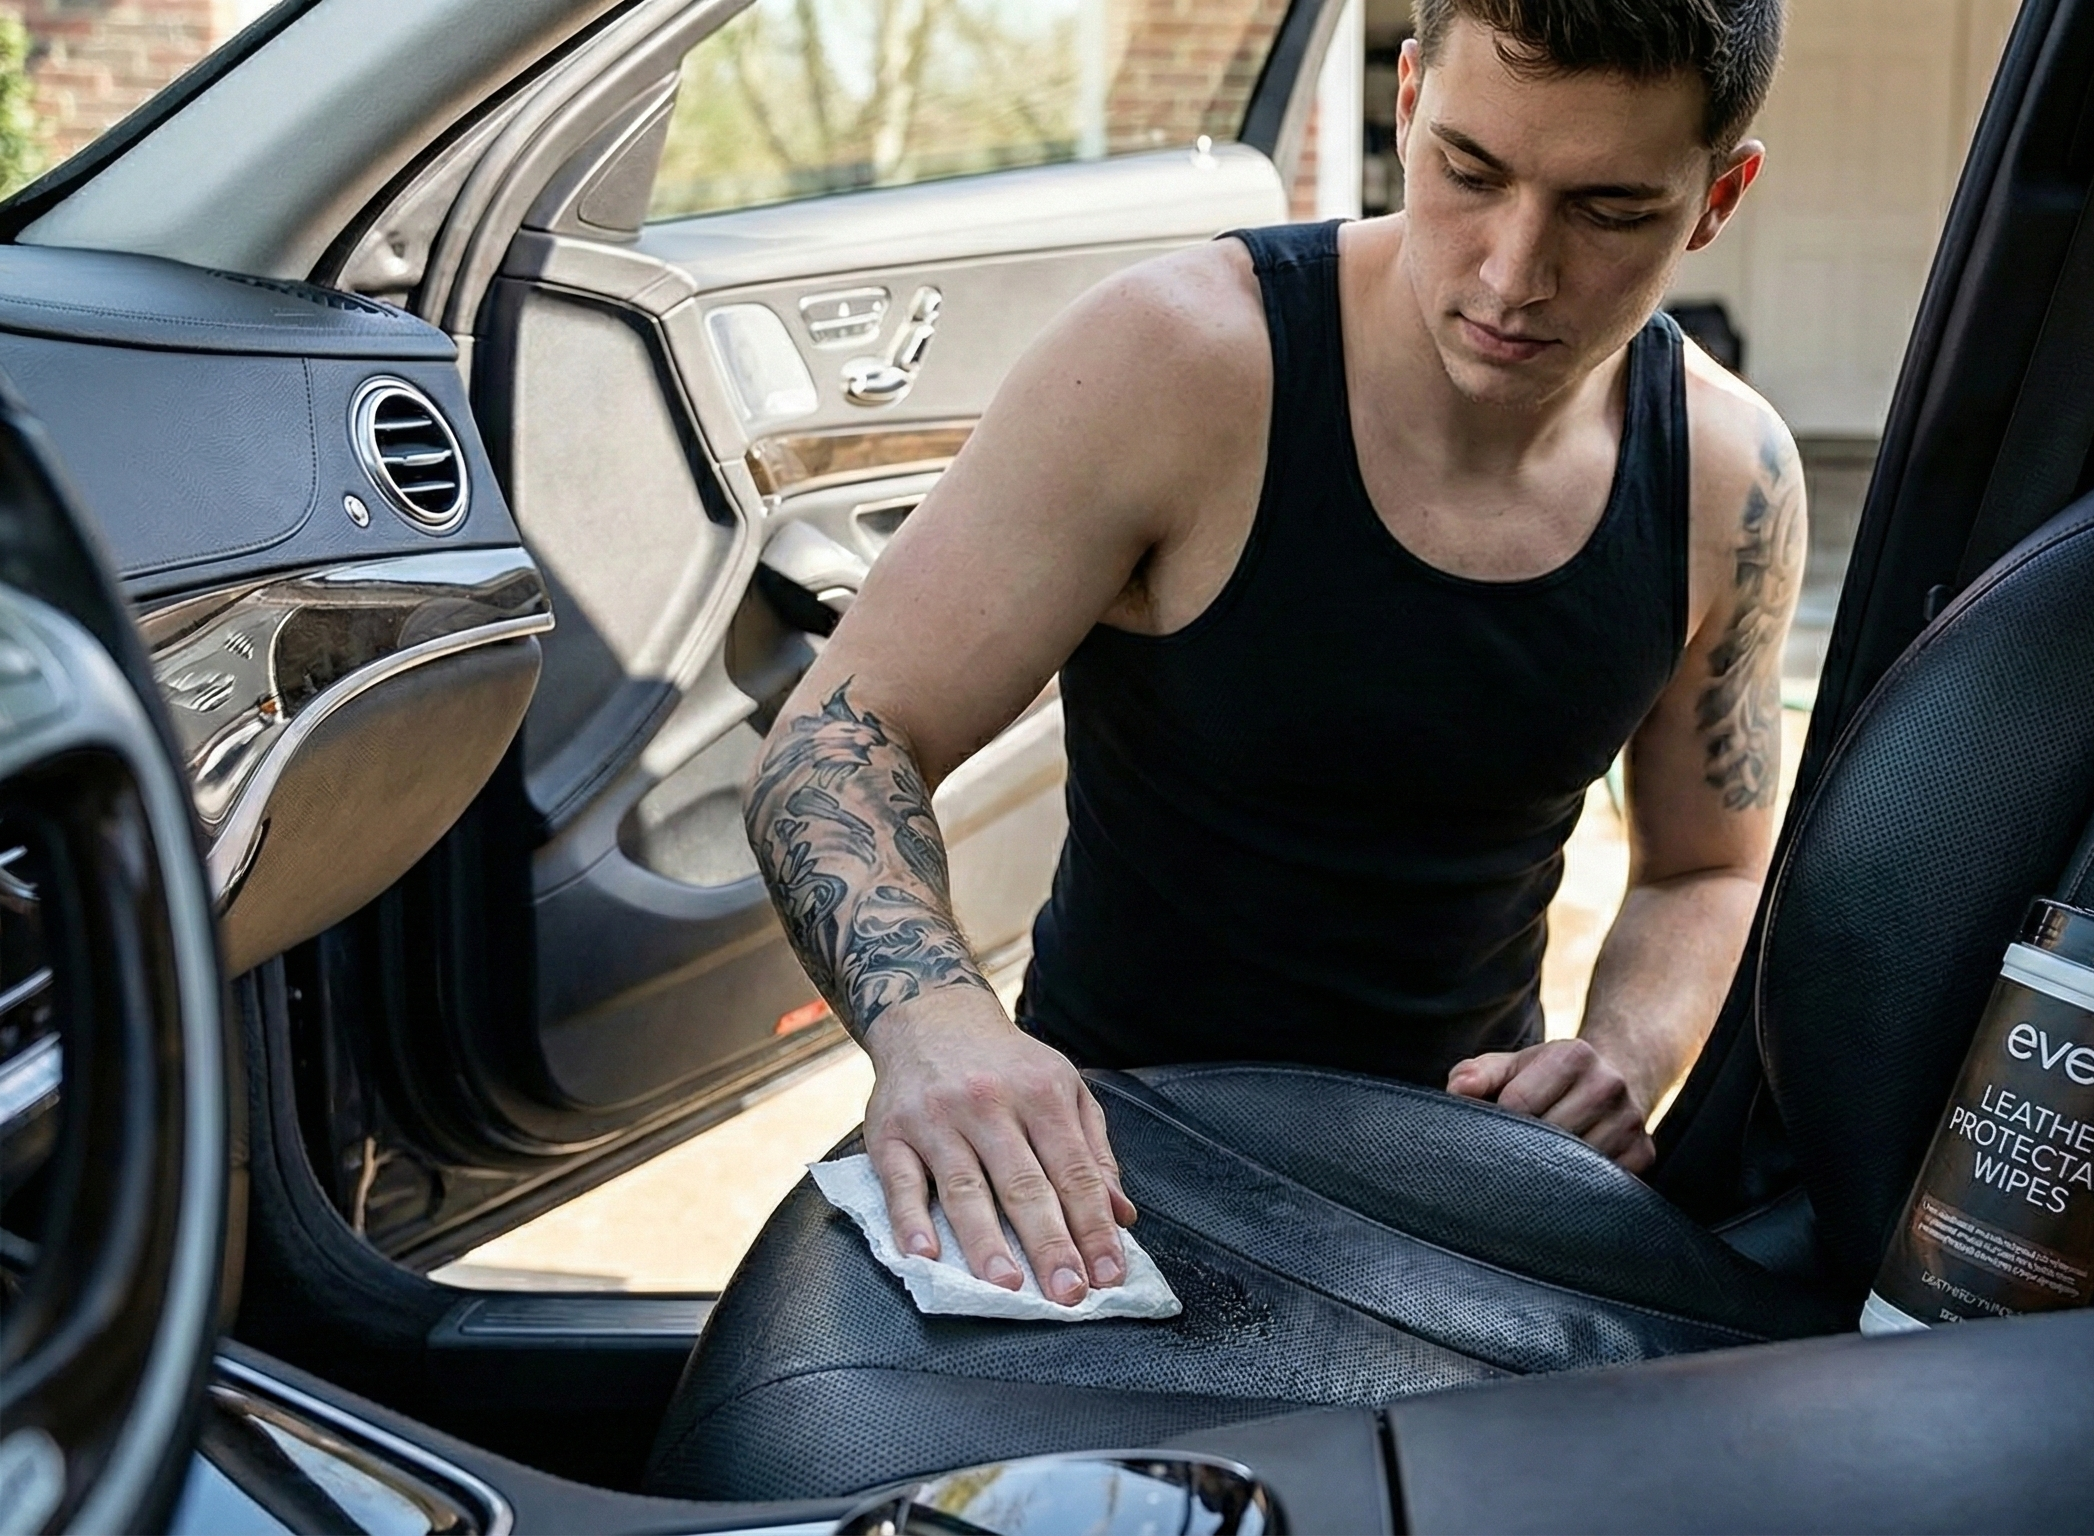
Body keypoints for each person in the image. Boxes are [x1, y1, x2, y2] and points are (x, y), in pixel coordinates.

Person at [746, 0, 1804, 1309]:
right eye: (1471, 172)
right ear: (1407, 104)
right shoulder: (1180, 361)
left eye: (1607, 211)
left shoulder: (1727, 476)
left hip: (1465, 1185)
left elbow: (1708, 865)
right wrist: (938, 1024)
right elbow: (840, 741)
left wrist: (1626, 1053)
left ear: (1715, 199)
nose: (1511, 272)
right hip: (1112, 1164)